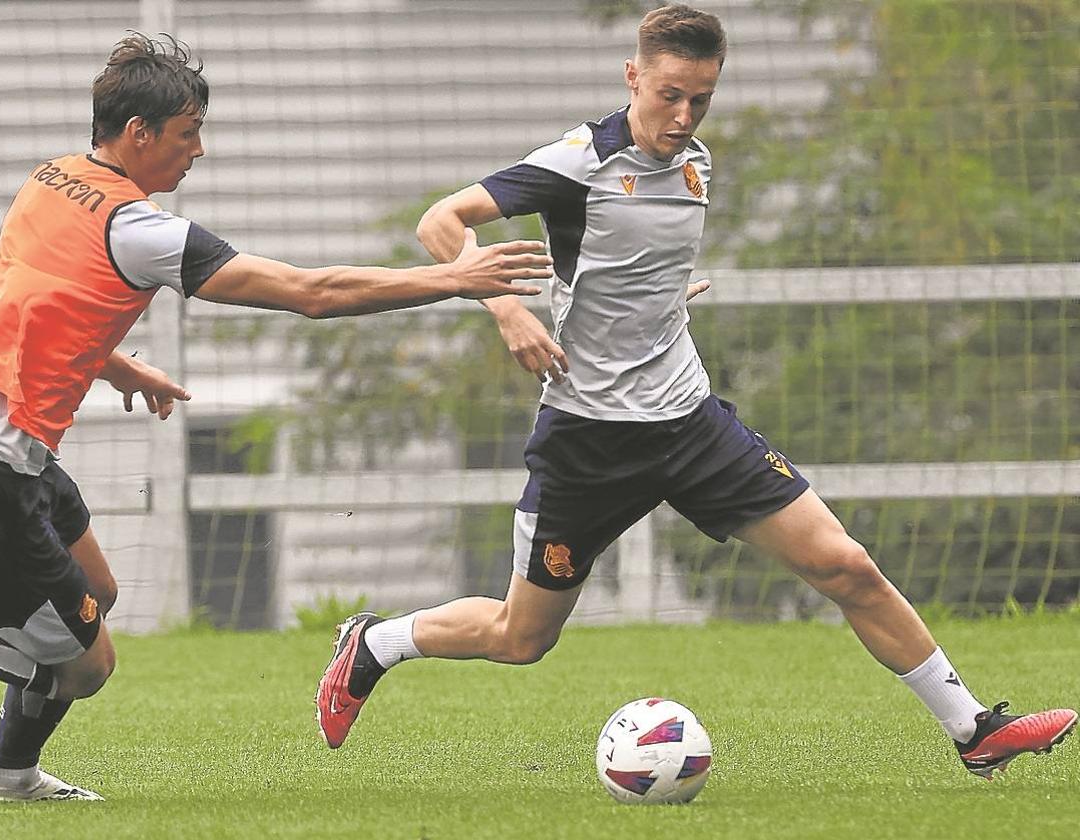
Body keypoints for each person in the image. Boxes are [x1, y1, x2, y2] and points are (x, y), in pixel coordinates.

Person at [314, 4, 1076, 779]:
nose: (683, 117)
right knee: (522, 638)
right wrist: (507, 309)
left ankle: (974, 730)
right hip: (591, 439)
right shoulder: (578, 162)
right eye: (669, 95)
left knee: (846, 566)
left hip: (691, 423)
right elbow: (440, 221)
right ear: (632, 77)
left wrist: (662, 299)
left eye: (702, 99)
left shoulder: (696, 164)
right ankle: (373, 644)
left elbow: (627, 266)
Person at [0, 34, 551, 804]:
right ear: (138, 133)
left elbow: (34, 297)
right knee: (83, 664)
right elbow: (311, 292)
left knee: (96, 588)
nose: (198, 150)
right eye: (188, 132)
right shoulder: (141, 229)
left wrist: (116, 362)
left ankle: (9, 775)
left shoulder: (51, 176)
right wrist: (451, 278)